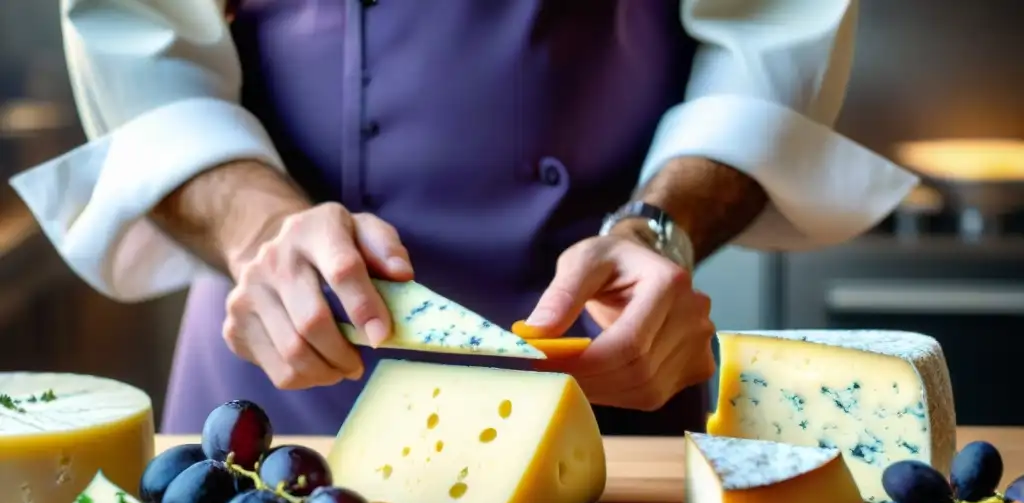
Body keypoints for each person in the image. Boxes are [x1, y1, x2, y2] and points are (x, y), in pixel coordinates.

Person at [11, 0, 916, 436]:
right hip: (284, 377)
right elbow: (142, 48)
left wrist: (659, 230)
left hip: (613, 383)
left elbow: (769, 34)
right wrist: (261, 234)